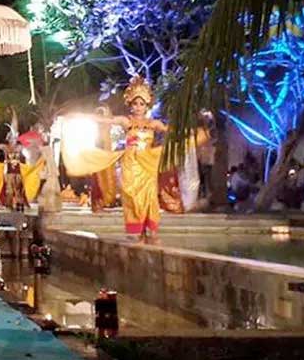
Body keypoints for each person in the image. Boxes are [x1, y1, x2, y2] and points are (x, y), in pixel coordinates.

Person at [62, 76, 203, 244]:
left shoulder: (153, 123)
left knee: (149, 196)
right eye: (135, 103)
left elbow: (171, 131)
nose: (138, 107)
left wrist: (192, 132)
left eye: (141, 104)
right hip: (130, 163)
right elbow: (107, 120)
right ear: (130, 104)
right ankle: (136, 229)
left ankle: (150, 231)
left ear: (147, 105)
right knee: (131, 195)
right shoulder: (126, 121)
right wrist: (79, 115)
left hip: (148, 164)